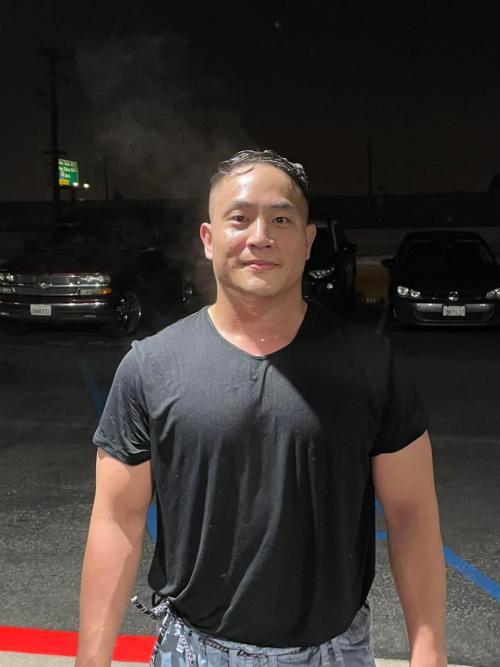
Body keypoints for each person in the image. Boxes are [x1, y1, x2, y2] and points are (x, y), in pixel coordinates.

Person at [75, 150, 447, 667]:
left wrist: (429, 651)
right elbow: (117, 520)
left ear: (308, 241)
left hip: (334, 654)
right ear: (208, 239)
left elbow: (413, 516)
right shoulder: (150, 367)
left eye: (281, 219)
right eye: (240, 218)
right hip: (192, 652)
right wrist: (91, 660)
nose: (260, 236)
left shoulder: (369, 364)